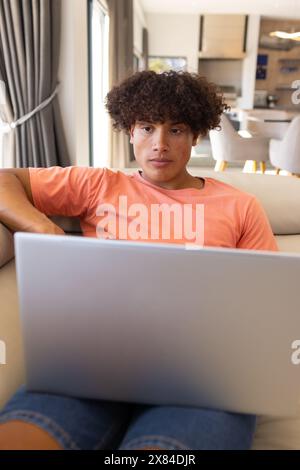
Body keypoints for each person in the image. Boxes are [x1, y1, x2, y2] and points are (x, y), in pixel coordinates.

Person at [0, 71, 278, 450]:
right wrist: (43, 230)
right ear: (130, 131)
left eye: (176, 130)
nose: (159, 144)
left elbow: (267, 300)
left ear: (195, 135)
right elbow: (5, 180)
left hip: (202, 375)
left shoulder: (240, 206)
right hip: (91, 360)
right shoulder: (98, 184)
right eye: (147, 128)